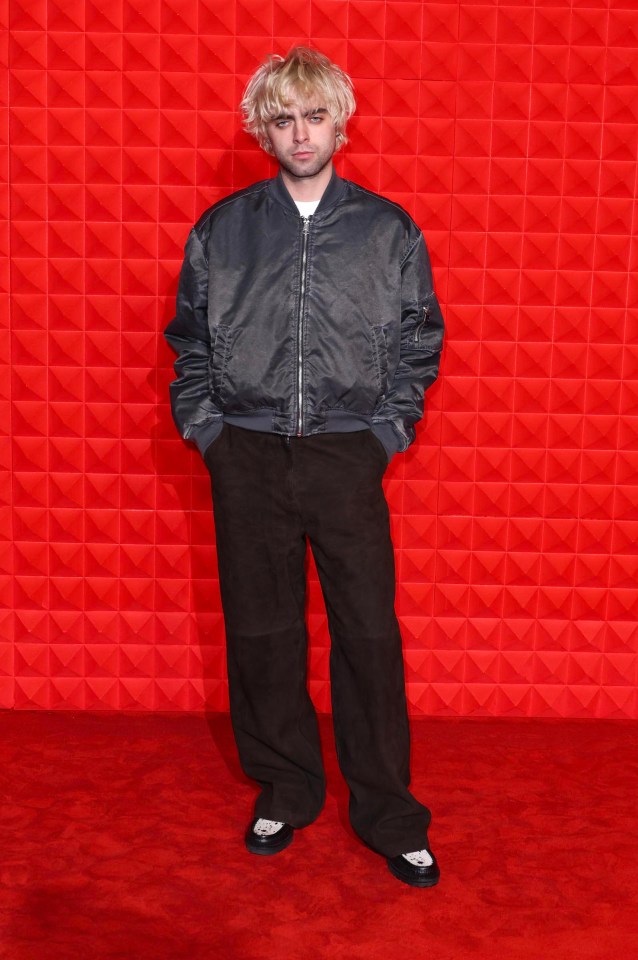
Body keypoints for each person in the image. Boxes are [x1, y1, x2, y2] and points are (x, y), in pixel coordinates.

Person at [164, 46, 445, 888]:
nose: (300, 133)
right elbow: (187, 344)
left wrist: (384, 435)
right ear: (262, 127)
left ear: (339, 122)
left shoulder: (388, 229)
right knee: (262, 634)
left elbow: (420, 340)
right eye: (283, 118)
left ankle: (390, 813)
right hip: (244, 454)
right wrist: (211, 433)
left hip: (345, 453)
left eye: (314, 115)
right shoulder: (223, 228)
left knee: (366, 635)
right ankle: (286, 786)